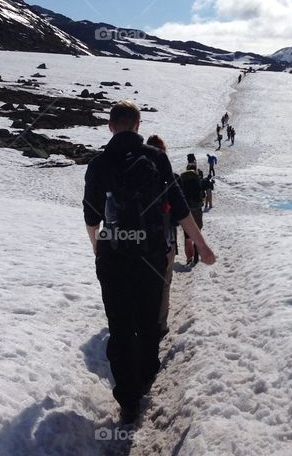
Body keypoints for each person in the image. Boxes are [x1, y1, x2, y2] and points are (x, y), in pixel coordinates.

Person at [83, 101, 215, 425]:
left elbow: (91, 217)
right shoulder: (156, 158)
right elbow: (180, 207)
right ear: (138, 125)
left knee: (120, 327)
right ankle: (144, 380)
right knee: (147, 322)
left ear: (111, 126)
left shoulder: (99, 164)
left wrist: (99, 249)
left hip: (114, 259)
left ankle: (127, 400)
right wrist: (202, 246)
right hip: (151, 258)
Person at [146, 134, 176, 341]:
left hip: (135, 238)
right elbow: (178, 211)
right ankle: (160, 325)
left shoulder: (130, 172)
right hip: (165, 240)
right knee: (164, 284)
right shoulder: (169, 177)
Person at [177, 162, 205, 266]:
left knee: (187, 236)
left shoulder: (182, 178)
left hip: (187, 209)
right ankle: (196, 254)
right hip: (197, 208)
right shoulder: (197, 177)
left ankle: (189, 258)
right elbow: (202, 192)